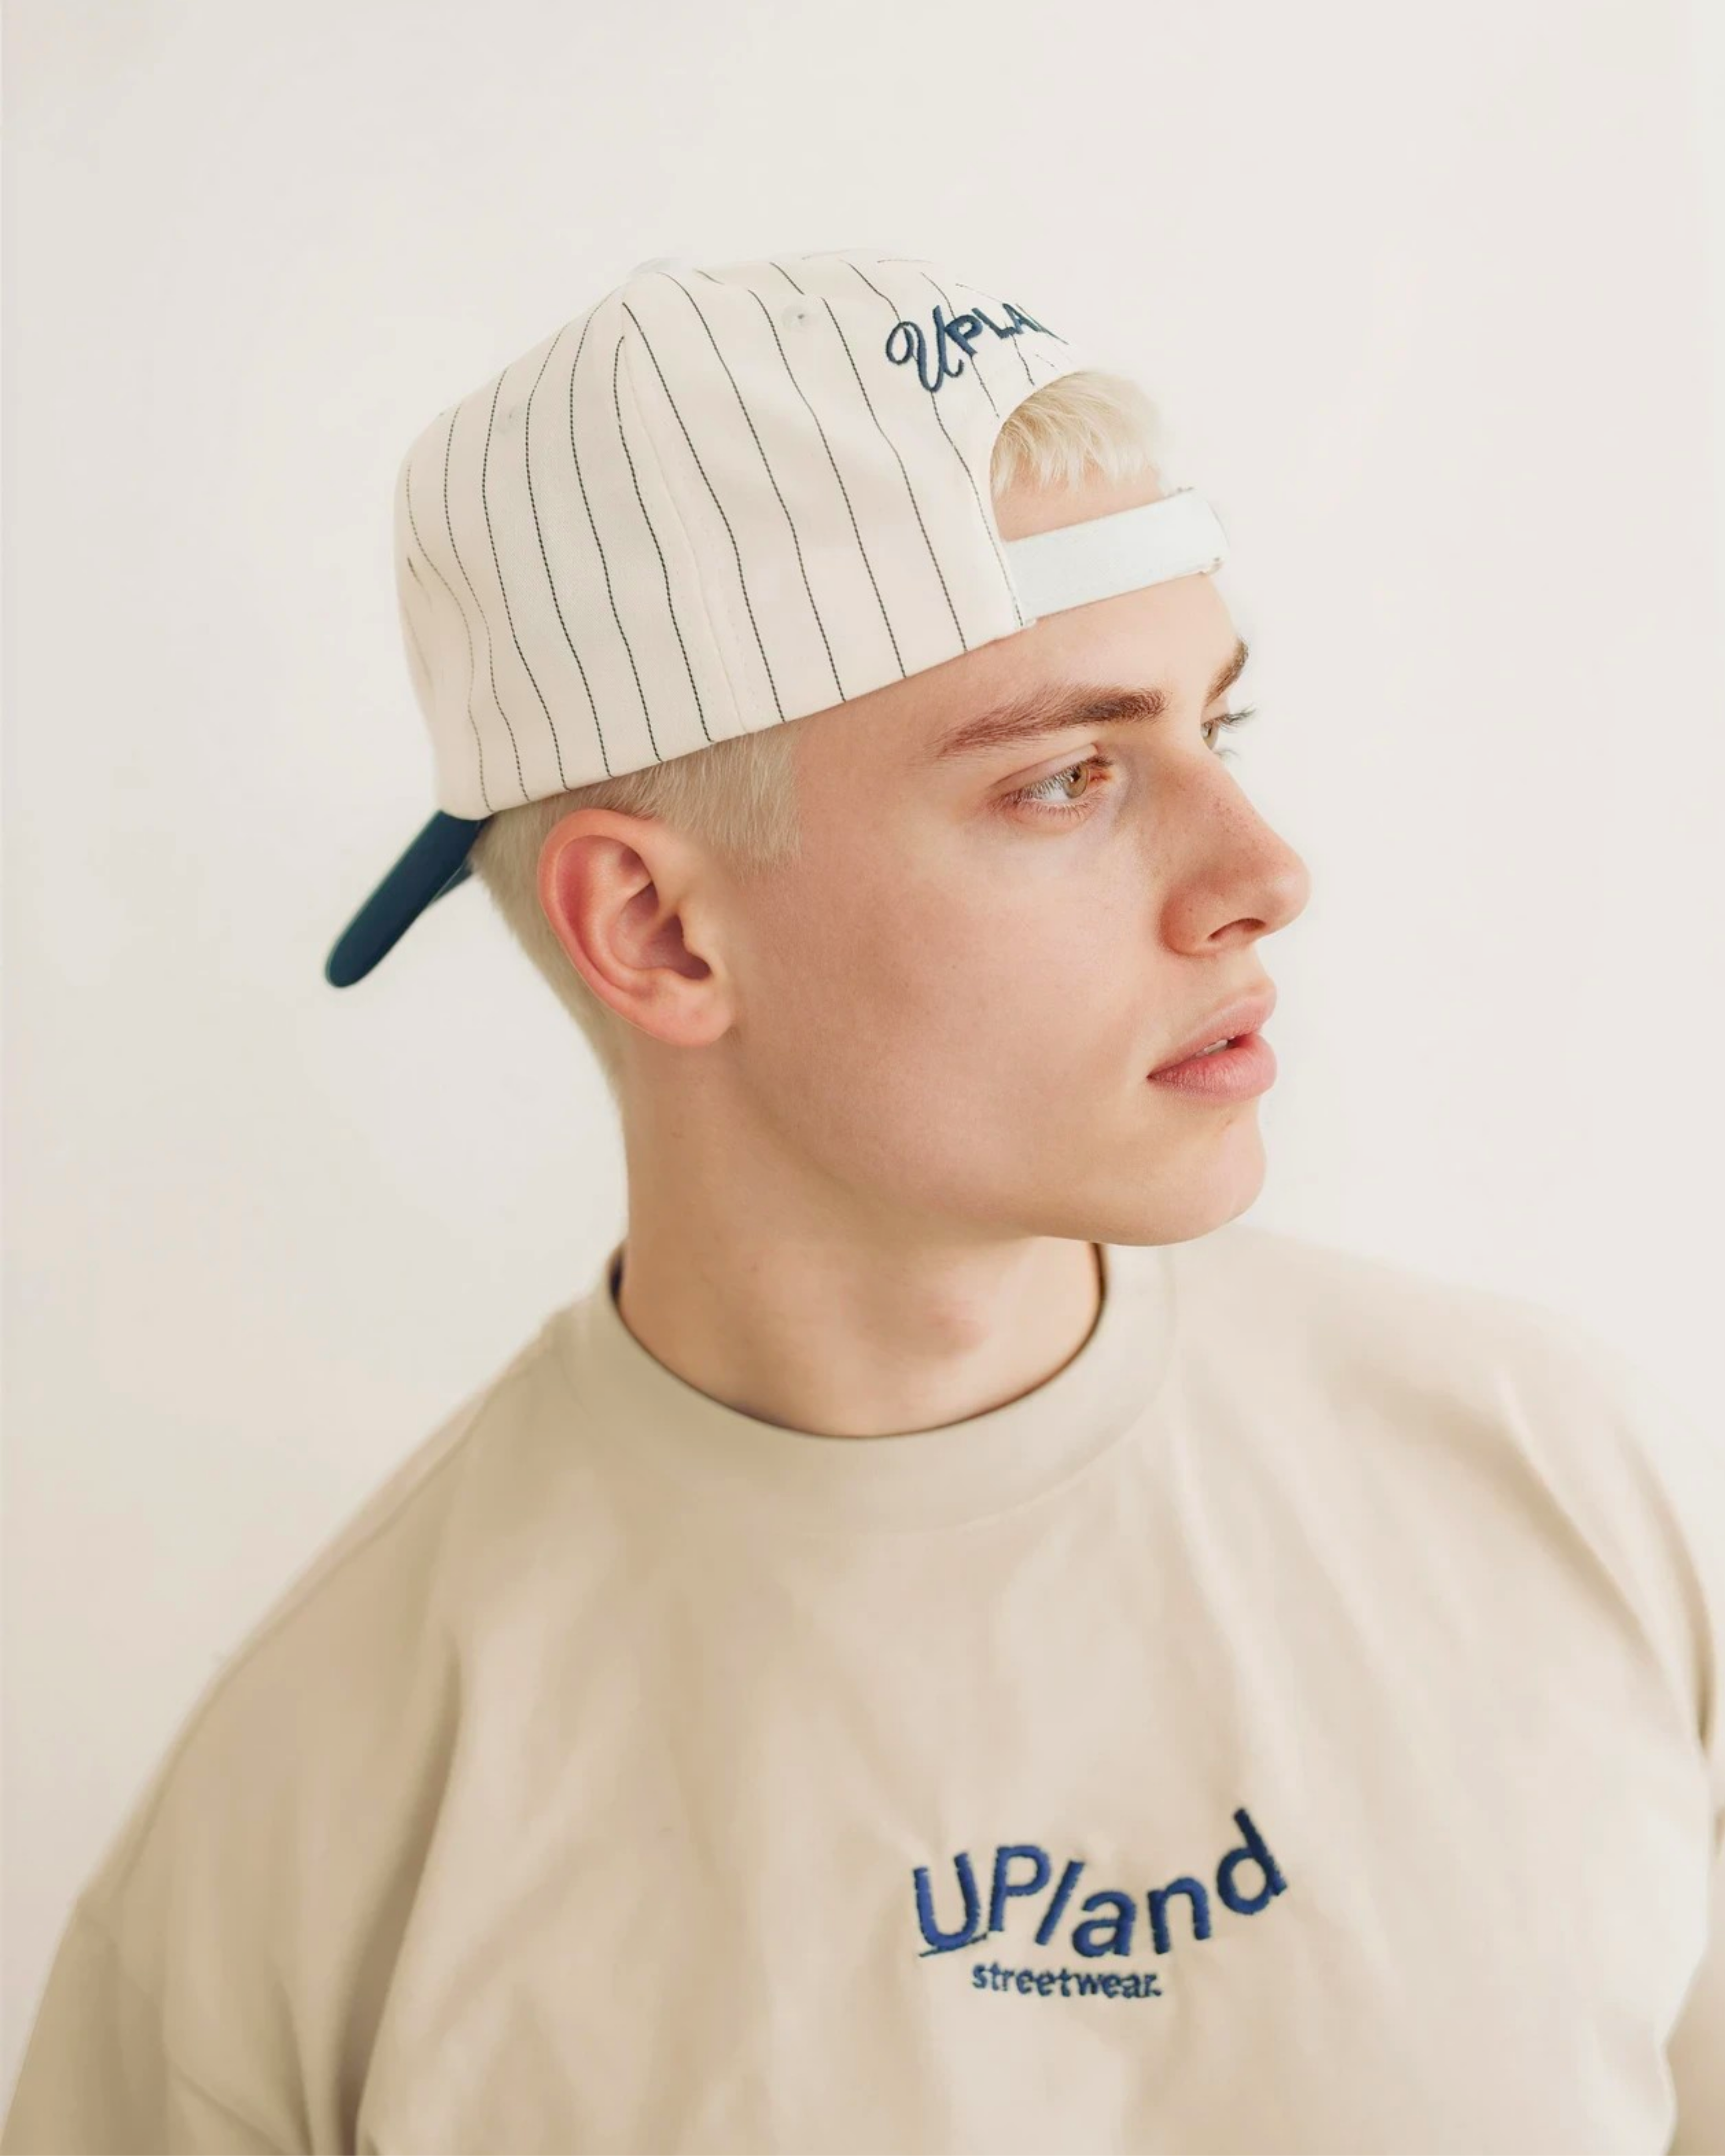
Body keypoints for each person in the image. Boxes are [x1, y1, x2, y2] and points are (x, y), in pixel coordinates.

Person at [5, 246, 1721, 2155]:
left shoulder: (1568, 1491)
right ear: (658, 929)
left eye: (1212, 731)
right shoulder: (309, 1844)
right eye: (1066, 778)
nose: (1262, 870)